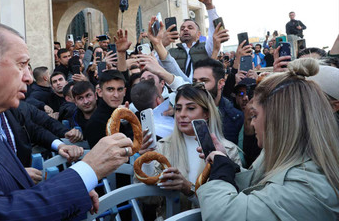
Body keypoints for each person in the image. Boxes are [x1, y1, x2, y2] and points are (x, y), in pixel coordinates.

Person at [0, 20, 134, 220]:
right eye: (21, 65)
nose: (29, 78)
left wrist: (71, 187)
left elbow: (8, 190)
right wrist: (87, 170)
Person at [196, 58, 339, 220]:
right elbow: (260, 184)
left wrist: (221, 174)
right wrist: (228, 165)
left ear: (277, 119)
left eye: (255, 115)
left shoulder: (308, 186)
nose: (252, 122)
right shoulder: (293, 160)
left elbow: (223, 215)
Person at [138, 83, 241, 218]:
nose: (182, 114)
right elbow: (148, 198)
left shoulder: (227, 150)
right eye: (178, 109)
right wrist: (147, 162)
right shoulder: (162, 146)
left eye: (190, 108)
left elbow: (232, 205)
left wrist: (189, 189)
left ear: (206, 114)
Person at [193, 58, 244, 144]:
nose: (198, 86)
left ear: (221, 83)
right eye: (194, 81)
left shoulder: (236, 117)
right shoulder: (184, 113)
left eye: (204, 81)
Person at [165, 0, 219, 78]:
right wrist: (161, 44)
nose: (185, 29)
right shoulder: (171, 52)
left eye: (190, 28)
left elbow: (214, 31)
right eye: (182, 29)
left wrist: (209, 6)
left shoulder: (206, 47)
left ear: (198, 34)